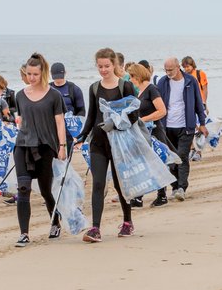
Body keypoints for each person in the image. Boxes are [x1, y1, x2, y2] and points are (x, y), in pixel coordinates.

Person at [74, 48, 137, 242]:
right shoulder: (94, 88)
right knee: (98, 184)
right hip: (98, 143)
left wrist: (114, 124)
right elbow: (92, 116)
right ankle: (95, 228)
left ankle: (127, 222)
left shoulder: (125, 86)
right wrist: (82, 135)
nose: (103, 70)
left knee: (119, 184)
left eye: (107, 66)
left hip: (119, 143)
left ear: (114, 64)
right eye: (100, 66)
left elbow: (133, 116)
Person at [11, 53, 67, 248]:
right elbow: (21, 119)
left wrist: (62, 146)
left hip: (45, 147)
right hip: (23, 146)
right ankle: (24, 233)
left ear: (42, 73)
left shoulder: (54, 95)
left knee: (45, 190)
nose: (31, 77)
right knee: (23, 188)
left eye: (35, 74)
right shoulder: (20, 95)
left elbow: (59, 122)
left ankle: (55, 222)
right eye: (28, 74)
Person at [156, 57, 209, 202]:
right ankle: (174, 186)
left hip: (186, 126)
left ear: (178, 67)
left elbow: (198, 103)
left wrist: (202, 123)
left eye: (171, 70)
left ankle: (182, 188)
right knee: (171, 159)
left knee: (182, 156)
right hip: (167, 127)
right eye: (166, 70)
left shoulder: (190, 81)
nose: (168, 73)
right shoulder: (162, 82)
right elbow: (156, 103)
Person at [126, 61, 168, 208]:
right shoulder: (138, 92)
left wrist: (143, 120)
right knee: (142, 164)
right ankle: (138, 198)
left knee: (157, 163)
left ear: (137, 76)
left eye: (131, 77)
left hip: (154, 131)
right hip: (142, 133)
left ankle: (162, 195)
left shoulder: (151, 89)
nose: (130, 80)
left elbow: (162, 111)